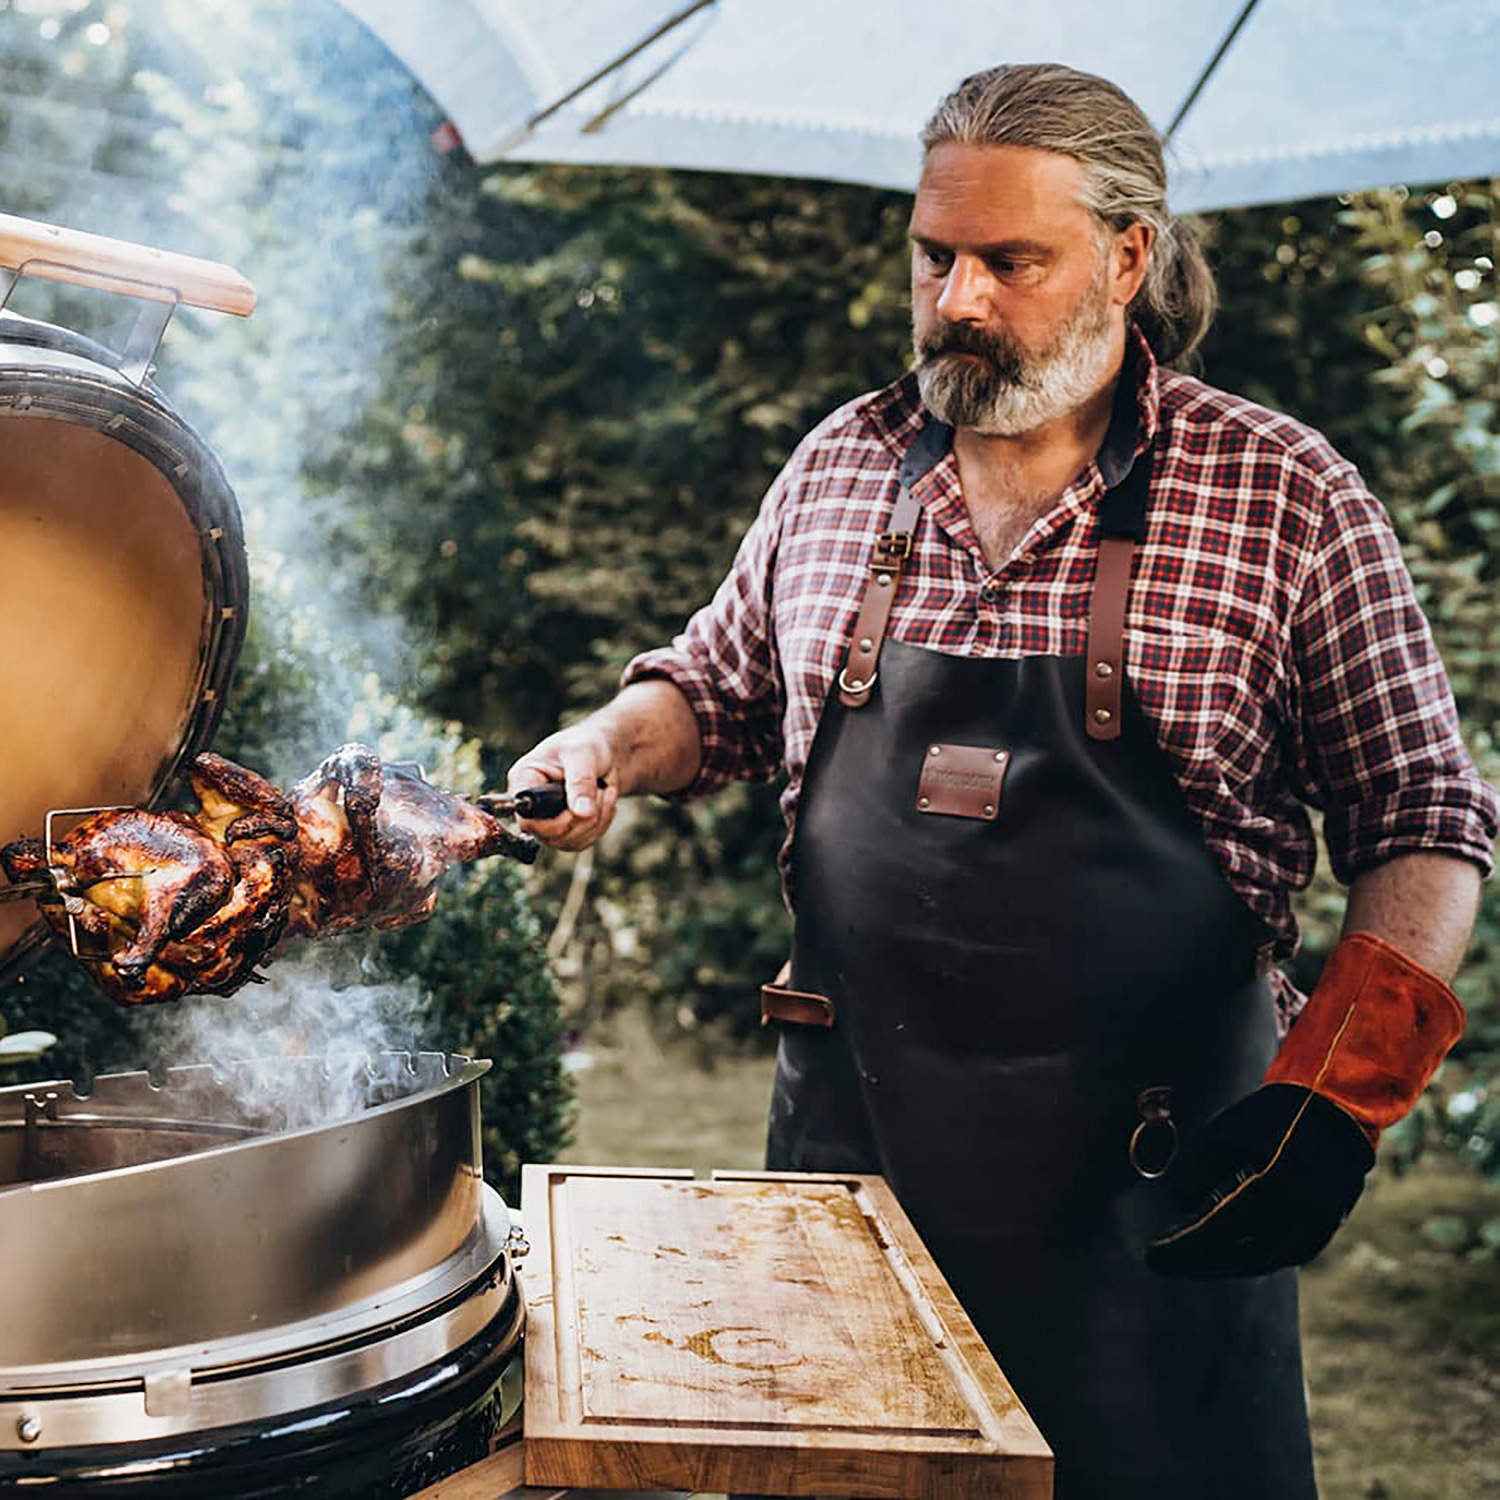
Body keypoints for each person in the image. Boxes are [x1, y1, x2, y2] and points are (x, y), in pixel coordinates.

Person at [508, 63, 1499, 1499]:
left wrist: (1339, 1097)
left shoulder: (1284, 494)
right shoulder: (843, 466)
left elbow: (1426, 815)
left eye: (1010, 262)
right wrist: (602, 743)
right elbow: (713, 689)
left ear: (1128, 258)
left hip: (1154, 1205)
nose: (958, 300)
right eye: (935, 256)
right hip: (849, 1183)